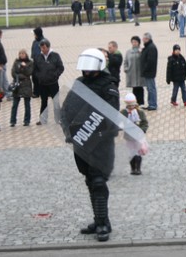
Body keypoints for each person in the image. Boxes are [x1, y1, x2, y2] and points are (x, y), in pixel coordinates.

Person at [61, 48, 120, 242]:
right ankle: (99, 219)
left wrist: (99, 133)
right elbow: (68, 108)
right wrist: (68, 130)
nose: (86, 71)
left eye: (89, 68)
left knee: (98, 181)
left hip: (101, 141)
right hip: (82, 140)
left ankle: (103, 224)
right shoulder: (80, 83)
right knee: (89, 181)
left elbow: (110, 113)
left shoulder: (108, 85)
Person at [33, 39, 64, 125]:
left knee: (56, 102)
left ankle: (58, 119)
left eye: (43, 47)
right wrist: (39, 76)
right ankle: (43, 119)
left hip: (53, 83)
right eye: (41, 48)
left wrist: (55, 75)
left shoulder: (55, 56)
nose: (42, 49)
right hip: (43, 84)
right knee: (43, 102)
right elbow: (35, 70)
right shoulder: (38, 57)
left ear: (48, 47)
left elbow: (61, 67)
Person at [120, 93, 149, 175]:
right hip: (129, 136)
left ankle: (138, 168)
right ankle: (133, 168)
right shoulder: (123, 112)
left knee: (138, 152)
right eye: (129, 105)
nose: (131, 107)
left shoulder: (140, 112)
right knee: (131, 152)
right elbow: (119, 122)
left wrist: (142, 130)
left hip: (138, 136)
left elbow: (144, 123)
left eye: (132, 105)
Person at [9, 49, 34, 127]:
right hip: (17, 85)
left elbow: (29, 73)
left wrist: (24, 67)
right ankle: (13, 121)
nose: (22, 55)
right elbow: (13, 73)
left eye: (23, 53)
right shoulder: (16, 62)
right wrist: (21, 76)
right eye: (20, 53)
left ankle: (27, 120)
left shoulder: (30, 63)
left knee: (27, 104)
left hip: (26, 85)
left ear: (26, 54)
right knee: (15, 104)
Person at [124, 36, 145, 106]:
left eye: (135, 42)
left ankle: (141, 102)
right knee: (134, 88)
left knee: (140, 87)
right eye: (132, 42)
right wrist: (126, 68)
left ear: (139, 43)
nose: (134, 43)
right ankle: (135, 102)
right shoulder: (128, 52)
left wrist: (142, 52)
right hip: (131, 72)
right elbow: (125, 61)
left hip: (139, 73)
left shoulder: (142, 50)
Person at [140, 32, 158, 111]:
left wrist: (144, 69)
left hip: (149, 72)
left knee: (151, 88)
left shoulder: (151, 47)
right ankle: (151, 103)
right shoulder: (148, 47)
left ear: (147, 39)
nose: (143, 40)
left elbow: (150, 61)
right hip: (148, 72)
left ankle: (153, 104)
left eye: (144, 39)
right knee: (149, 88)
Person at [31, 27, 44, 98]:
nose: (34, 35)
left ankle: (42, 91)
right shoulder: (34, 41)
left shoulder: (44, 41)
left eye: (35, 34)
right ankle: (36, 92)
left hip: (41, 62)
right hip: (35, 62)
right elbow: (33, 51)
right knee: (34, 77)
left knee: (41, 77)